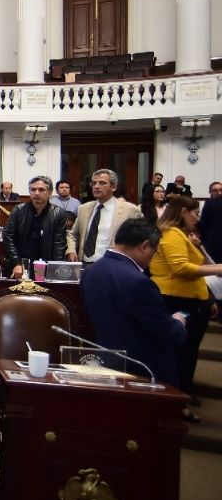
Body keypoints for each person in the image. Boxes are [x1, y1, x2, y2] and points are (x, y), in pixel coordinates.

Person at [80, 219, 187, 388]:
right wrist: (179, 321)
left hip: (105, 362)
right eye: (154, 251)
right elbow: (169, 334)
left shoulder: (91, 271)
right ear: (144, 246)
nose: (153, 257)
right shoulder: (139, 282)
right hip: (142, 371)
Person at [151, 197, 222, 423]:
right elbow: (180, 268)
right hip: (176, 299)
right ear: (183, 211)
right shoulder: (171, 233)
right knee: (182, 355)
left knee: (187, 354)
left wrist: (207, 298)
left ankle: (181, 398)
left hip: (190, 298)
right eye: (195, 213)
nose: (197, 218)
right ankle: (176, 403)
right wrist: (217, 268)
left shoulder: (180, 234)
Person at [66, 169, 143, 264]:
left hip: (114, 265)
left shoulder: (130, 210)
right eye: (94, 183)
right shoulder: (83, 209)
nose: (97, 186)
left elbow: (140, 239)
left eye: (102, 183)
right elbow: (72, 234)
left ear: (113, 187)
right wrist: (71, 250)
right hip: (85, 264)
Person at [2, 175, 67, 278]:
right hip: (20, 264)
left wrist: (55, 269)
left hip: (45, 264)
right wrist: (16, 262)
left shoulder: (59, 213)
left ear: (50, 192)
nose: (37, 193)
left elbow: (59, 245)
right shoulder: (18, 210)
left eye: (41, 190)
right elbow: (8, 237)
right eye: (33, 189)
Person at [200, 186, 222, 263]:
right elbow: (203, 225)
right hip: (214, 244)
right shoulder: (209, 203)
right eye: (215, 190)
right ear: (210, 192)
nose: (219, 193)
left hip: (212, 243)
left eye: (221, 190)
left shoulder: (208, 203)